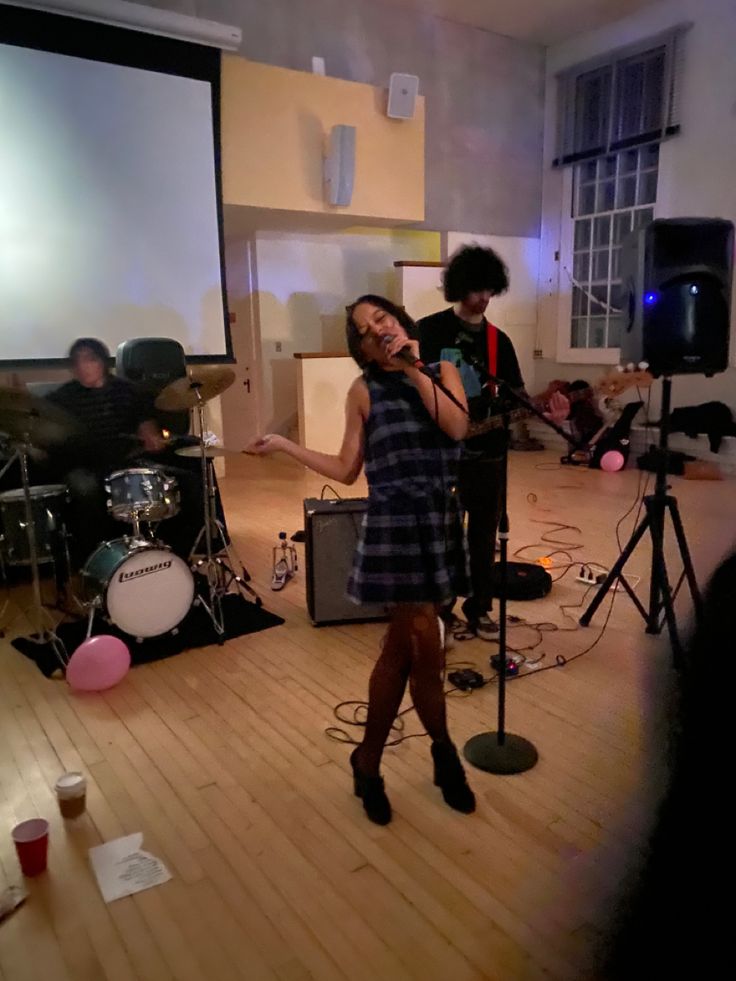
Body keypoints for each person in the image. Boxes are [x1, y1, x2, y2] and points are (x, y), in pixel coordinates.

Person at [247, 294, 475, 825]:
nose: (379, 329)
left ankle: (367, 762)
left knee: (401, 649)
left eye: (383, 318)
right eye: (367, 330)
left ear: (399, 321)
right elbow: (347, 468)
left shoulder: (441, 369)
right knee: (425, 643)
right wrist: (285, 444)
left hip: (440, 520)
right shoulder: (363, 389)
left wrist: (416, 368)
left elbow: (458, 429)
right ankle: (445, 757)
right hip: (395, 526)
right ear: (364, 350)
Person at [418, 245, 567, 640]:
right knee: (445, 534)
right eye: (476, 289)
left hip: (488, 454)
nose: (484, 298)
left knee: (484, 535)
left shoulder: (498, 342)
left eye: (490, 290)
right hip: (441, 453)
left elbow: (517, 396)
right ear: (459, 288)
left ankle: (480, 608)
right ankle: (441, 611)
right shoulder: (429, 331)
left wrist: (546, 414)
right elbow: (413, 390)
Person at [46, 338, 214, 564]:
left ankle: (177, 554)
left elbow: (145, 424)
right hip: (85, 466)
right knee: (85, 490)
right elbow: (40, 418)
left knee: (188, 482)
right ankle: (96, 559)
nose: (82, 366)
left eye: (89, 360)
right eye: (76, 362)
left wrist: (151, 437)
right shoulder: (64, 396)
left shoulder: (126, 391)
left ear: (102, 363)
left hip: (125, 463)